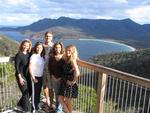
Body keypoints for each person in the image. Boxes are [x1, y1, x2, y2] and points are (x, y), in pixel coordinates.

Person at [58, 45, 80, 113]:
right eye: (67, 50)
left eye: (69, 50)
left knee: (68, 100)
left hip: (69, 82)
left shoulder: (72, 60)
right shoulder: (66, 59)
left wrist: (73, 81)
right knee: (60, 99)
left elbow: (77, 72)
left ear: (73, 52)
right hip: (64, 81)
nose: (67, 51)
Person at [14, 39, 32, 112]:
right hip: (21, 76)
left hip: (27, 76)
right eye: (24, 45)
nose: (25, 47)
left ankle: (19, 104)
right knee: (25, 93)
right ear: (22, 45)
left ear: (29, 46)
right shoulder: (19, 55)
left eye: (27, 46)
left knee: (30, 92)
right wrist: (20, 78)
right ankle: (26, 109)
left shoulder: (29, 54)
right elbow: (17, 68)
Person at [48, 42, 65, 113]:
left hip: (62, 79)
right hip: (54, 79)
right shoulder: (51, 57)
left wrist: (61, 77)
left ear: (61, 48)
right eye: (56, 47)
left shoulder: (64, 57)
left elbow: (66, 69)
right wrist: (53, 76)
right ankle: (58, 109)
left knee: (61, 94)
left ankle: (59, 109)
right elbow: (50, 68)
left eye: (59, 47)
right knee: (57, 94)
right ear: (54, 48)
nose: (58, 49)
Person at [29, 42, 45, 113]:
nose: (39, 49)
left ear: (42, 49)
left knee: (38, 93)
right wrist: (33, 77)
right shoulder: (33, 56)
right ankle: (34, 109)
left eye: (40, 47)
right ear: (35, 48)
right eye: (37, 47)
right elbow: (30, 67)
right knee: (34, 94)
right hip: (35, 77)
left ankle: (37, 106)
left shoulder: (41, 56)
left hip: (40, 77)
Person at [42, 31, 54, 107]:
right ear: (44, 37)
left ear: (52, 37)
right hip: (42, 70)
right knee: (44, 86)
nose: (48, 37)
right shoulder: (42, 46)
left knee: (51, 87)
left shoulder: (54, 46)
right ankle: (47, 100)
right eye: (46, 36)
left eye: (49, 36)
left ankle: (51, 103)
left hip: (51, 70)